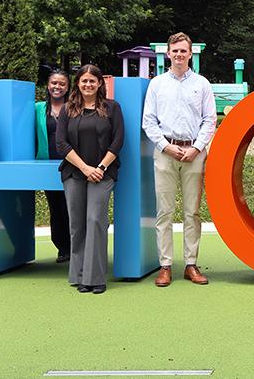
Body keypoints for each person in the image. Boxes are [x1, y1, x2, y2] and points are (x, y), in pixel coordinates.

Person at [142, 32, 217, 287]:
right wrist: (165, 146)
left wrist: (196, 148)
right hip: (165, 152)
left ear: (190, 53)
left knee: (192, 211)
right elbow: (149, 121)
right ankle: (165, 266)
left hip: (194, 153)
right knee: (164, 210)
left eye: (183, 51)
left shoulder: (202, 84)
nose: (179, 55)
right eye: (175, 51)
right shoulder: (157, 84)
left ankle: (191, 264)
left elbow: (210, 120)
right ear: (168, 53)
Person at [57, 65, 124, 294]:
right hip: (75, 172)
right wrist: (86, 168)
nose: (88, 85)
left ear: (99, 84)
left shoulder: (112, 108)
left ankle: (95, 277)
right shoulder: (67, 110)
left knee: (95, 220)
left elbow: (118, 141)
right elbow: (61, 144)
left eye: (92, 81)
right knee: (77, 224)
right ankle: (79, 275)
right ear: (78, 83)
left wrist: (100, 167)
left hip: (103, 173)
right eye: (84, 81)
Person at [34, 69, 72, 263]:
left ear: (67, 87)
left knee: (73, 206)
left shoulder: (74, 107)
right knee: (55, 207)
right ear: (48, 86)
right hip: (46, 164)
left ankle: (77, 246)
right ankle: (63, 247)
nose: (57, 87)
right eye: (54, 83)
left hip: (72, 163)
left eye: (62, 84)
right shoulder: (38, 108)